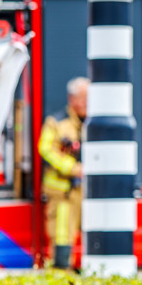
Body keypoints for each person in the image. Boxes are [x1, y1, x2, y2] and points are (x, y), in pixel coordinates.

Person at [39, 76, 87, 269]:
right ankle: (60, 273)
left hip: (85, 192)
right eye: (83, 98)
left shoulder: (95, 122)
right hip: (63, 193)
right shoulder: (57, 123)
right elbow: (45, 148)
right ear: (72, 99)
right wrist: (72, 168)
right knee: (61, 234)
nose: (87, 103)